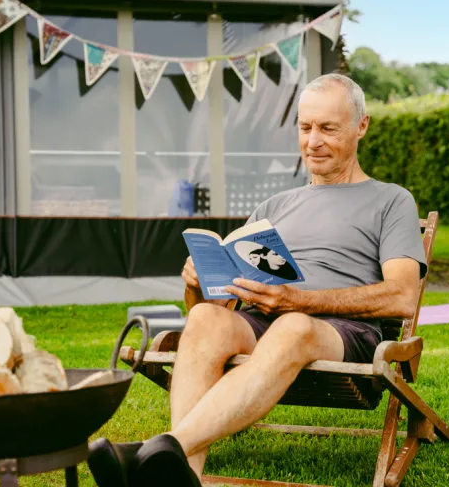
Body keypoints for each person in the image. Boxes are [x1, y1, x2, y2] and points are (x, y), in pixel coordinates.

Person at [87, 73, 427, 487]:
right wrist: (198, 285)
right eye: (305, 128)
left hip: (341, 330)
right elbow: (214, 310)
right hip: (264, 317)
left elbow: (402, 297)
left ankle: (156, 448)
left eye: (328, 128)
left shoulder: (391, 200)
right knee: (204, 322)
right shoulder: (274, 205)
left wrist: (298, 302)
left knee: (293, 325)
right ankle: (180, 474)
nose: (313, 141)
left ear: (362, 125)